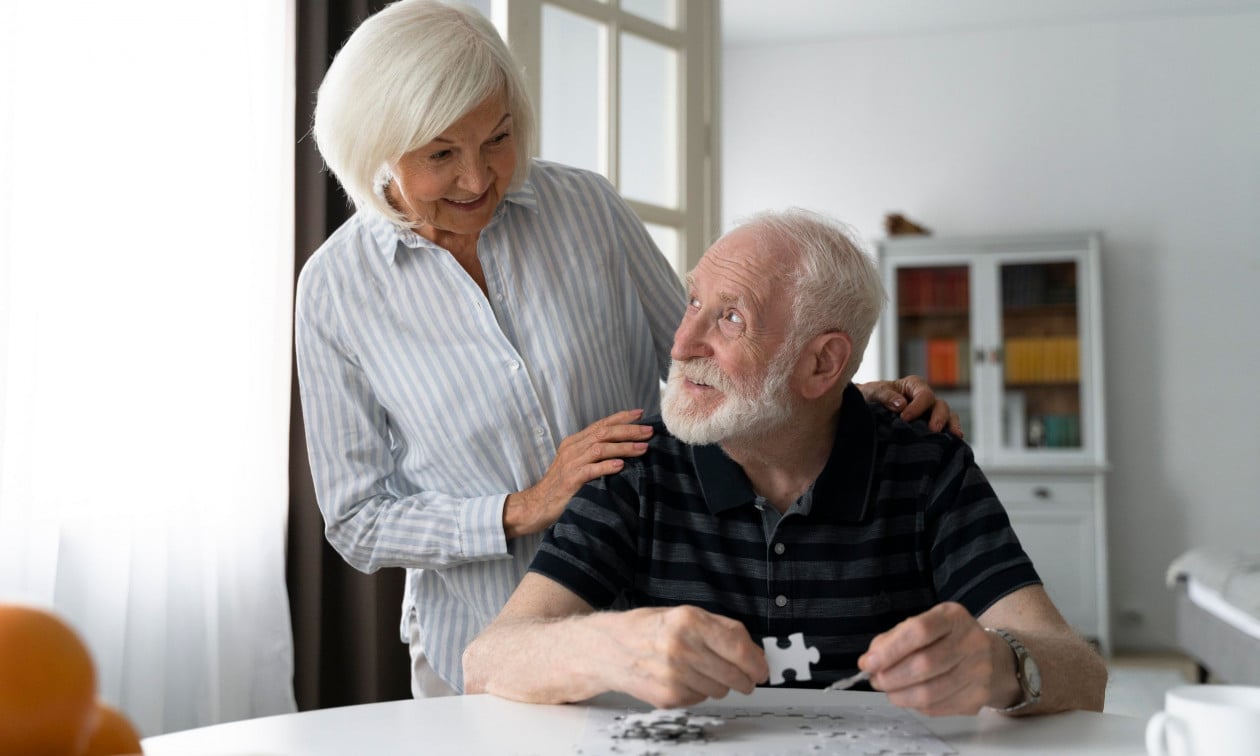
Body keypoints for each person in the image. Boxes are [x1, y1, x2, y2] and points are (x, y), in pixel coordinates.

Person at [296, 0, 956, 697]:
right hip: (480, 647)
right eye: (440, 155)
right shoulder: (335, 291)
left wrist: (841, 398)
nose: (479, 177)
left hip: (651, 629)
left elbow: (712, 365)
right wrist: (523, 505)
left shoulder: (586, 209)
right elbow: (357, 519)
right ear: (375, 150)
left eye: (498, 137)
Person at [463, 209, 1108, 716]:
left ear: (823, 363)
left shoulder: (927, 463)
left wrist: (1000, 667)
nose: (683, 343)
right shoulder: (636, 463)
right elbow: (486, 662)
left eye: (731, 317)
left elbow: (1082, 673)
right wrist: (608, 648)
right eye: (693, 302)